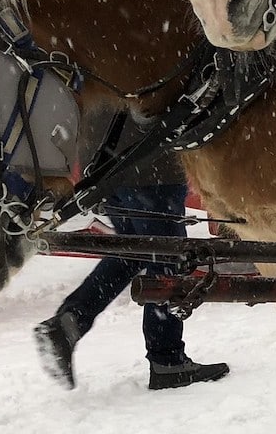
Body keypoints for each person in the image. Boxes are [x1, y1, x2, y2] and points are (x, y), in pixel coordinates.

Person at [33, 151, 230, 391]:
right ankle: (167, 360)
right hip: (149, 163)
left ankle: (70, 321)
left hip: (106, 163)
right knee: (167, 256)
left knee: (132, 251)